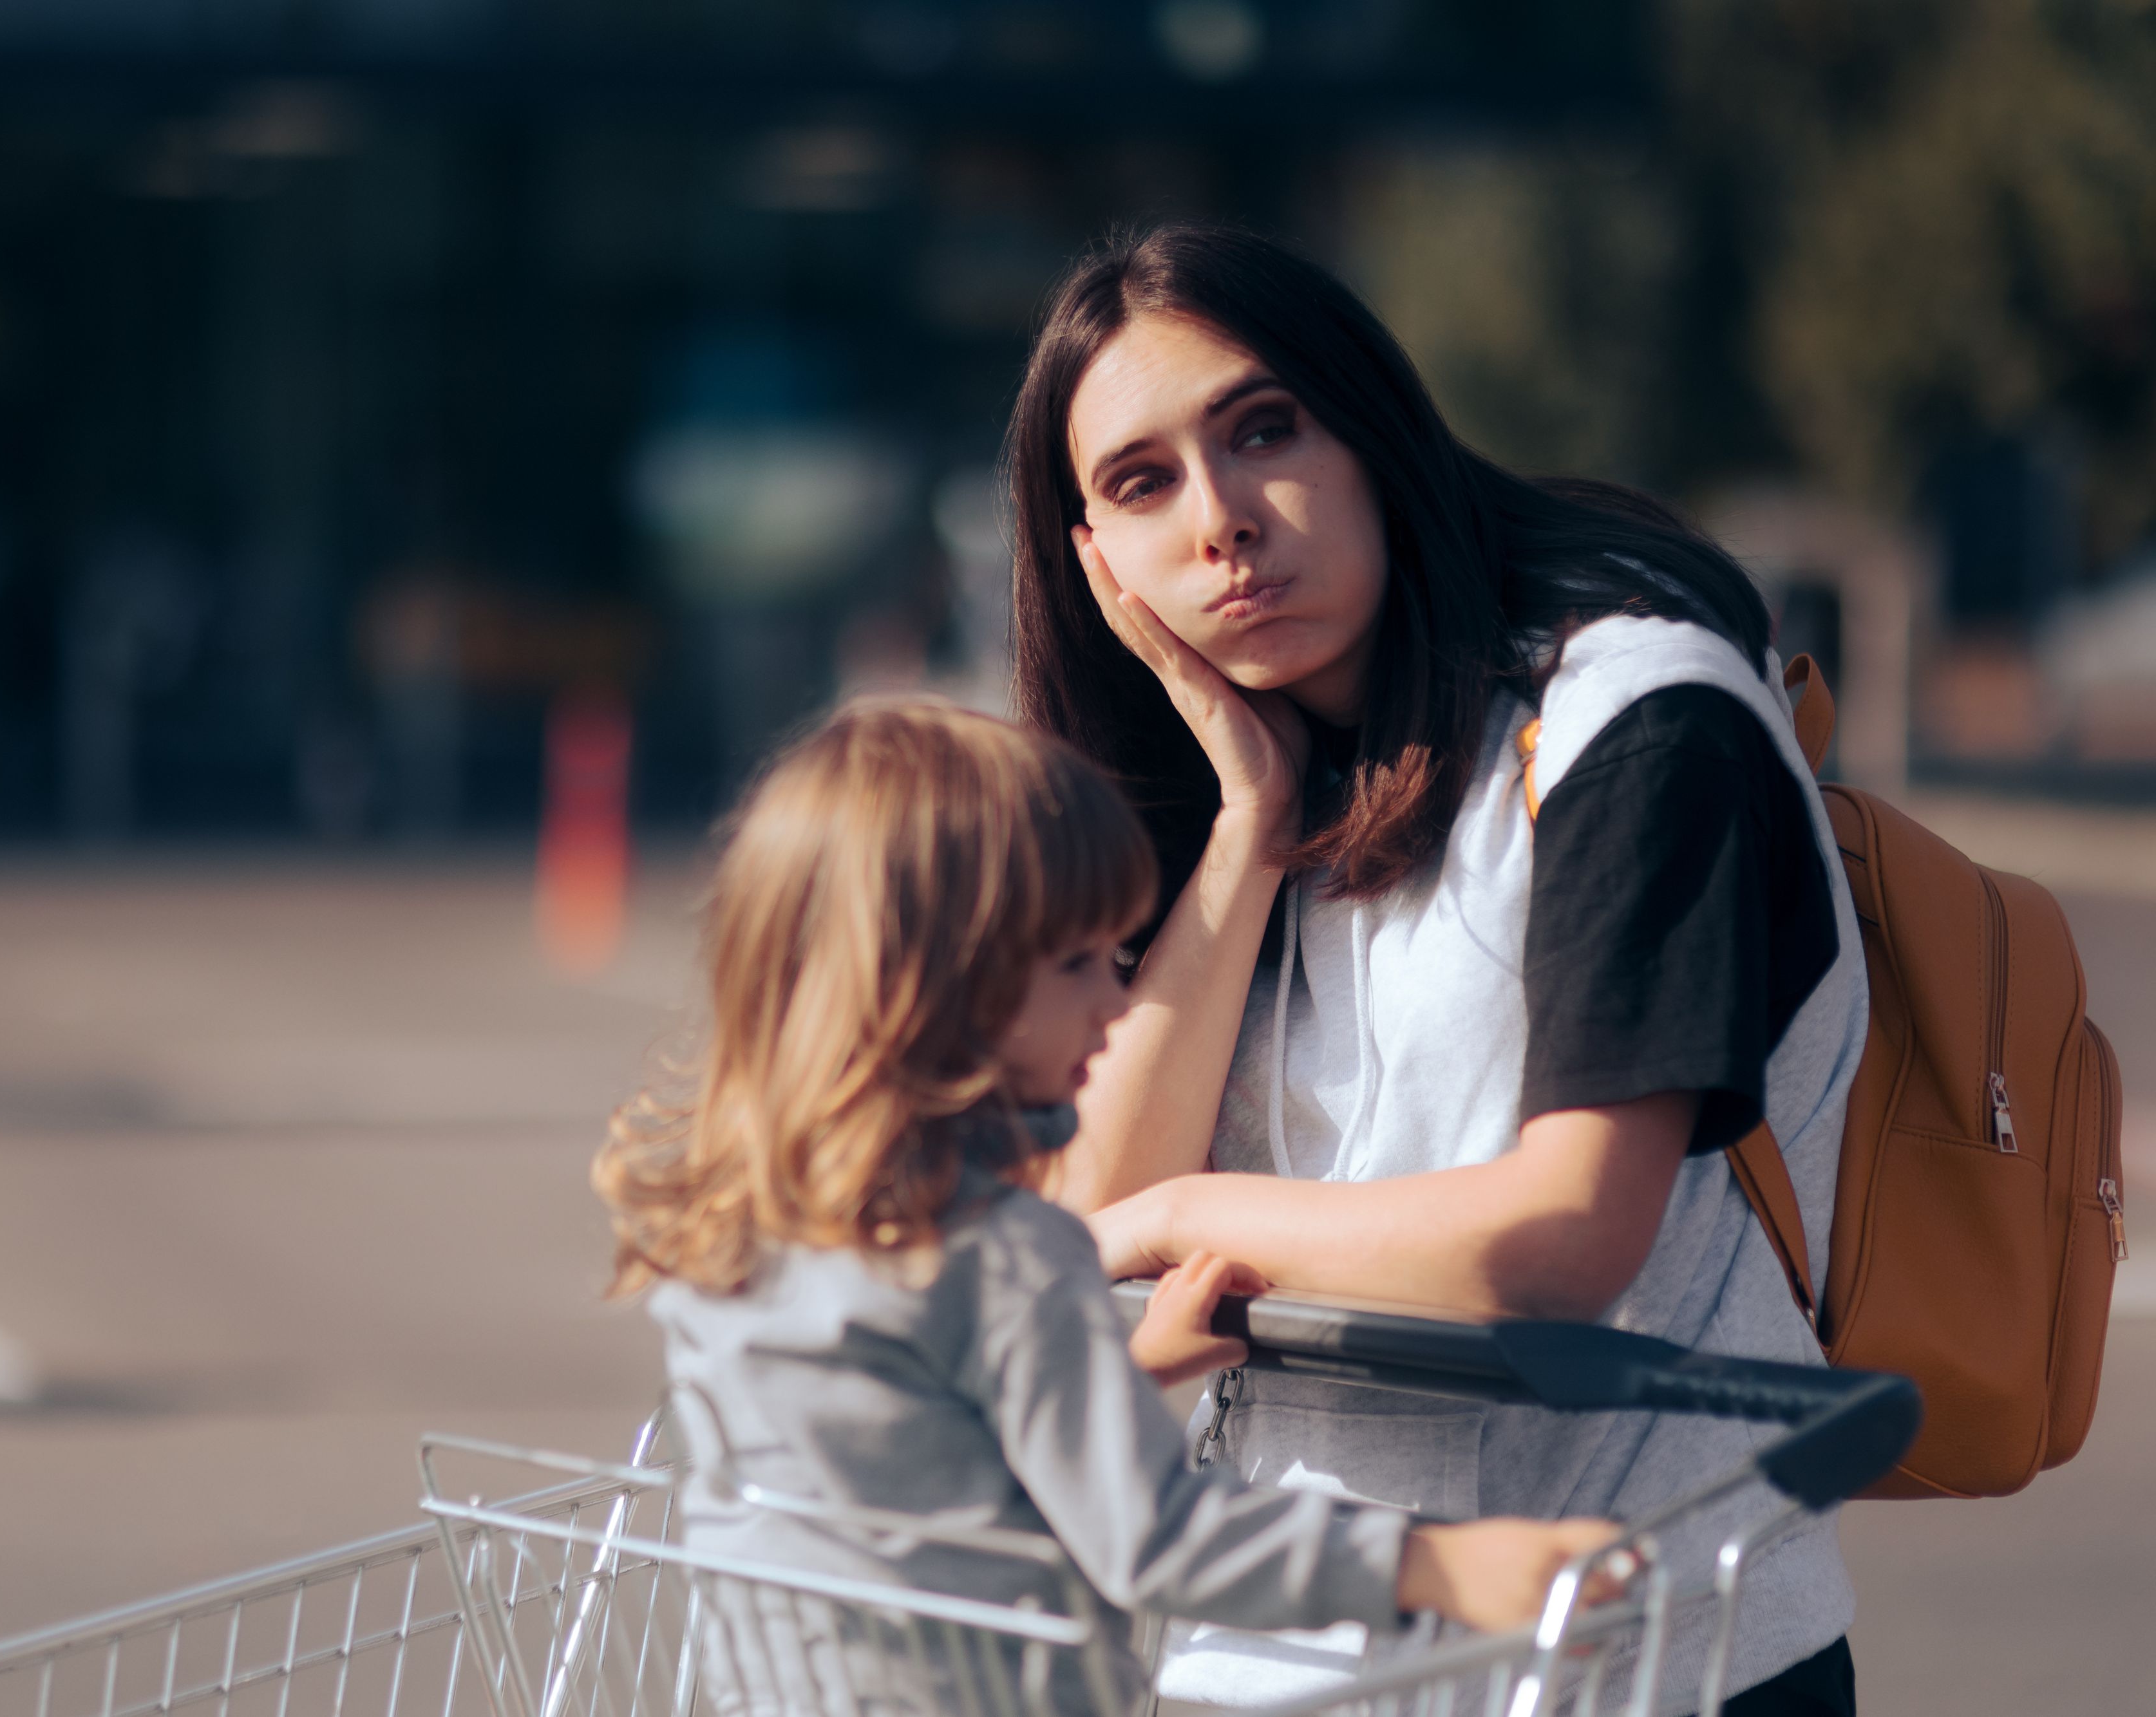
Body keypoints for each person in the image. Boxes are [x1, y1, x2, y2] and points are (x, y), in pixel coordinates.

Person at [1005, 224, 1869, 1716]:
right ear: (1097, 566)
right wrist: (1247, 826)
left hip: (1641, 1653)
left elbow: (1563, 1233)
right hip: (1274, 1660)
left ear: (1373, 427)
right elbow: (1088, 1228)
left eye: (1260, 429)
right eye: (1140, 483)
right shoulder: (1229, 803)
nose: (1219, 521)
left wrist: (1185, 1212)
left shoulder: (1633, 715)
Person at [594, 699, 1618, 1714]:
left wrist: (1117, 1373)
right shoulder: (1006, 1253)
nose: (1117, 1004)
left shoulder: (743, 1228)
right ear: (942, 988)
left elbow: (889, 1460)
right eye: (1079, 963)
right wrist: (1434, 1565)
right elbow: (1155, 1538)